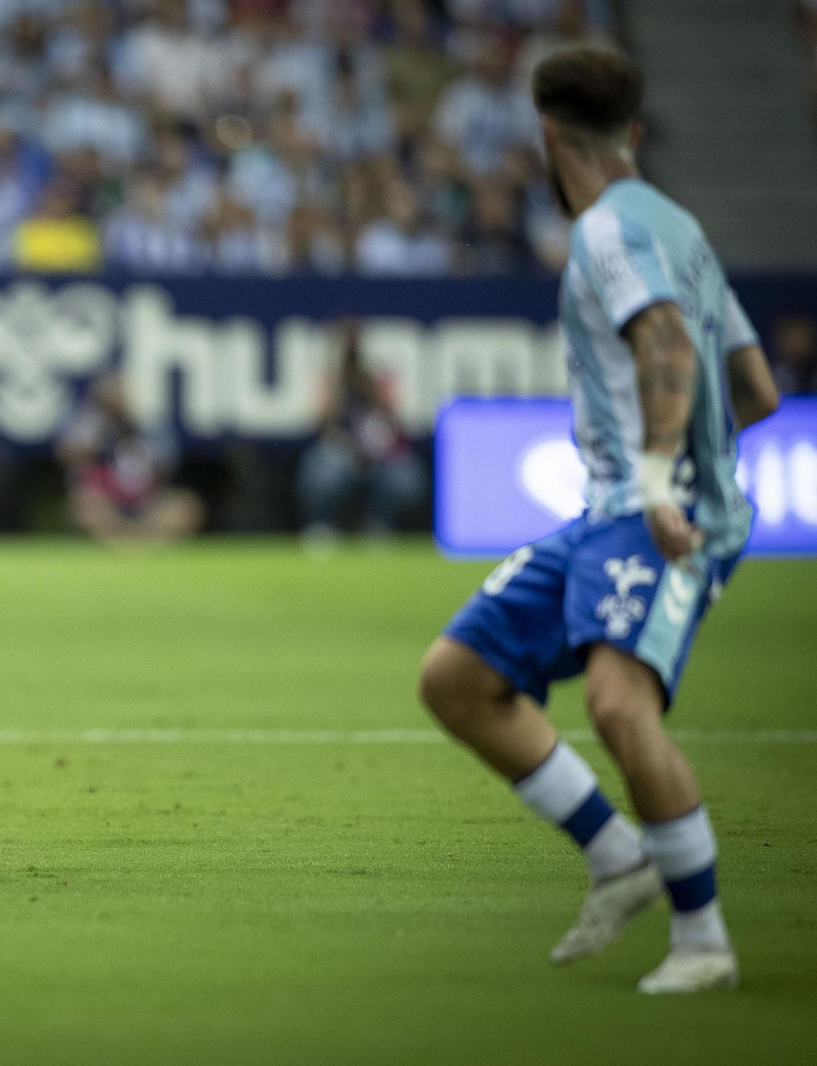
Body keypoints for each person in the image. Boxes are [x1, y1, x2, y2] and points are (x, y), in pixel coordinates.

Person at [417, 46, 781, 994]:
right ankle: (622, 861)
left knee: (621, 708)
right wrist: (686, 458)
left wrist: (666, 481)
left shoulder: (608, 231)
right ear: (636, 132)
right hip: (613, 509)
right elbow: (759, 386)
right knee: (457, 679)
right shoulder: (680, 226)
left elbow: (664, 343)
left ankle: (704, 941)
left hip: (651, 508)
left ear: (546, 136)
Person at [297, 322, 427, 536]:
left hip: (379, 453)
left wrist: (370, 385)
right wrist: (340, 380)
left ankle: (380, 524)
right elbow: (318, 422)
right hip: (340, 450)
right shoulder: (331, 377)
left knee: (406, 478)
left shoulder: (377, 375)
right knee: (320, 472)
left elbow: (395, 421)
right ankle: (323, 525)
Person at [55, 373, 204, 542]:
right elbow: (67, 456)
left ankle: (137, 544)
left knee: (186, 506)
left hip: (147, 502)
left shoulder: (150, 425)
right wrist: (101, 429)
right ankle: (127, 543)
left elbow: (166, 466)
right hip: (106, 502)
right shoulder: (91, 423)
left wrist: (133, 428)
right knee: (83, 506)